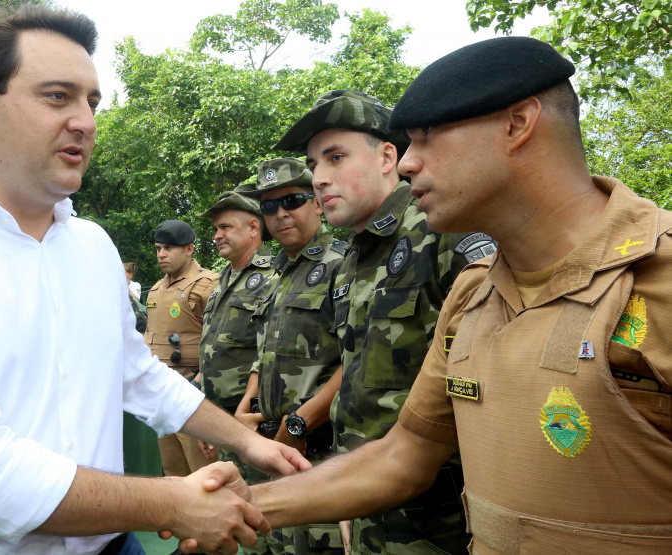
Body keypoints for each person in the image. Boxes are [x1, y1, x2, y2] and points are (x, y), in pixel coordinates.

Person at [0, 6, 308, 555]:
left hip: (113, 545)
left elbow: (134, 372)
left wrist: (246, 442)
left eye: (92, 101)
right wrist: (177, 502)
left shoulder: (92, 246)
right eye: (57, 96)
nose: (84, 121)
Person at [187, 36, 672, 555]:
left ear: (518, 124)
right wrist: (247, 503)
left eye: (427, 138)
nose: (408, 163)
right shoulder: (473, 294)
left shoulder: (657, 279)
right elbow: (401, 457)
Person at [272, 90, 494, 554]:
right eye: (314, 165)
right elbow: (356, 373)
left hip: (440, 518)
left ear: (387, 156)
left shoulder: (442, 230)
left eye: (336, 157)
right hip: (368, 497)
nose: (320, 179)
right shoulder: (355, 256)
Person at [234, 158, 347, 555]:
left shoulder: (343, 266)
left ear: (317, 202)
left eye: (293, 200)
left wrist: (299, 425)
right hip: (269, 449)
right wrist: (245, 405)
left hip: (316, 456)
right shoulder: (278, 274)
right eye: (268, 207)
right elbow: (264, 351)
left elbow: (359, 360)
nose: (280, 214)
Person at [196, 190, 277, 553]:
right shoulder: (223, 281)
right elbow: (210, 352)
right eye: (215, 229)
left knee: (266, 517)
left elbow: (270, 353)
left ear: (253, 227)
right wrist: (207, 417)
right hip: (224, 418)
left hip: (254, 420)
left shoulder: (274, 275)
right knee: (240, 517)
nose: (217, 235)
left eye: (225, 227)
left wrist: (244, 414)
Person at [145, 219, 220, 477]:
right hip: (162, 395)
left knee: (204, 476)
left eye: (169, 248)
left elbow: (223, 342)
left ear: (189, 249)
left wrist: (199, 385)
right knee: (174, 476)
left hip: (194, 394)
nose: (161, 254)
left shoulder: (208, 285)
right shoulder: (155, 289)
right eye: (158, 248)